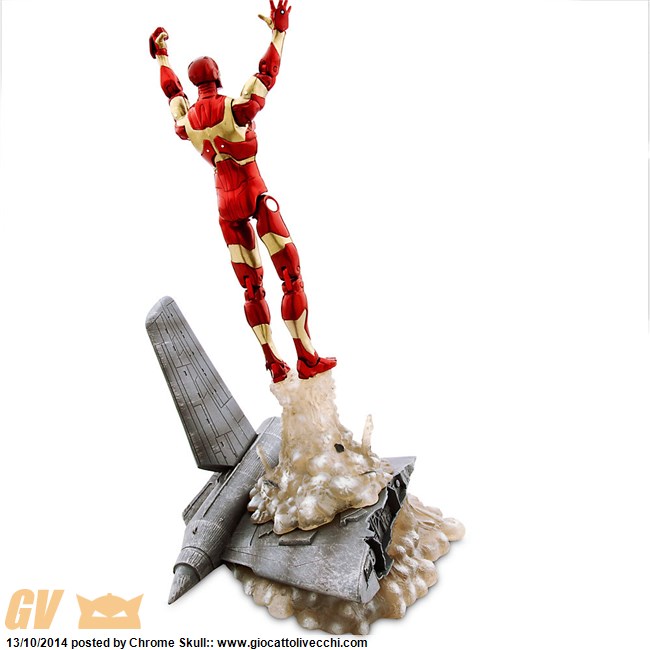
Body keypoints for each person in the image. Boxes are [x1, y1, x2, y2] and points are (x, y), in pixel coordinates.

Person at [150, 1, 335, 383]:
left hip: (225, 204)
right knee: (290, 276)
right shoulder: (235, 108)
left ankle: (274, 363)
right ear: (218, 76)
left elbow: (172, 94)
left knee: (252, 288)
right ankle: (305, 357)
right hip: (254, 194)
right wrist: (279, 32)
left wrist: (162, 55)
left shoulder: (187, 122)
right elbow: (267, 74)